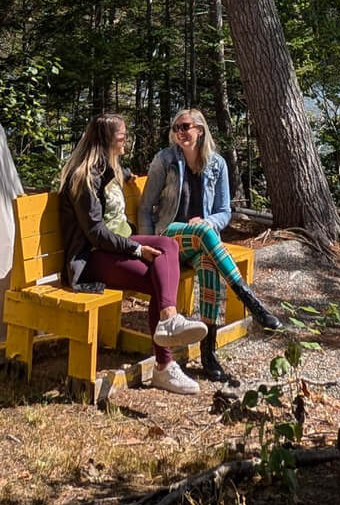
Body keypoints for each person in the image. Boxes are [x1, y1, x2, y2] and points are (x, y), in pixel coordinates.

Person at [58, 113, 208, 395]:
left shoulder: (107, 167)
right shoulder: (83, 178)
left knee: (170, 246)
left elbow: (121, 174)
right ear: (105, 141)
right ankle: (164, 366)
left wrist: (127, 176)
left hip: (115, 247)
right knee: (156, 276)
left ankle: (169, 320)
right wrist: (136, 248)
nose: (126, 141)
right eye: (121, 137)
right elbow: (96, 234)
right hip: (90, 258)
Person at [139, 109, 281, 384]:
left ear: (200, 130)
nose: (180, 132)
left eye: (186, 127)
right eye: (176, 127)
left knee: (208, 260)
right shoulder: (165, 160)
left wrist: (207, 221)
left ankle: (208, 353)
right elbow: (145, 208)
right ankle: (248, 298)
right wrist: (148, 246)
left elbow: (224, 211)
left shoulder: (217, 164)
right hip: (168, 239)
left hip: (199, 242)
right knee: (205, 233)